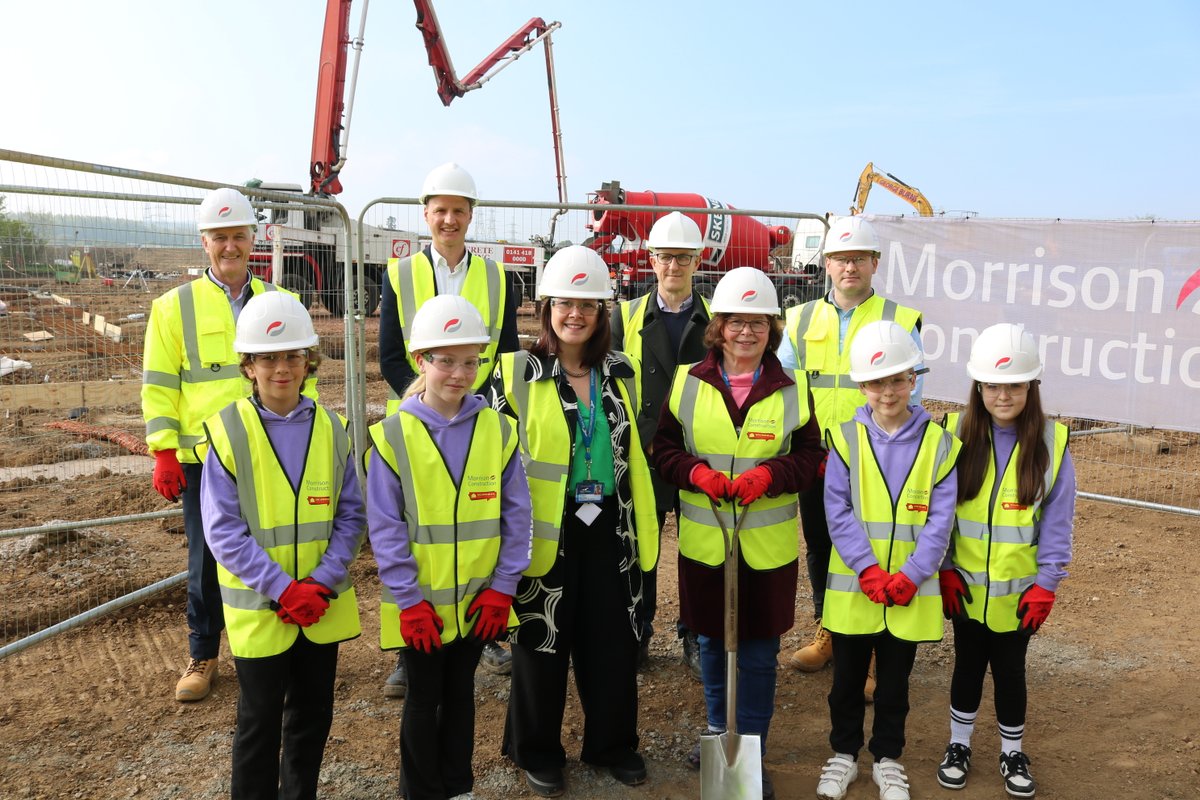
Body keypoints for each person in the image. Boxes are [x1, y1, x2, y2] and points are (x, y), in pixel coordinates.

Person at [489, 245, 658, 797]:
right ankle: (537, 748)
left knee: (611, 640)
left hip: (611, 527)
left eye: (589, 304)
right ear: (546, 307)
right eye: (566, 303)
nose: (576, 315)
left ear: (603, 311)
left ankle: (613, 744)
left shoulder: (620, 372)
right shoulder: (517, 373)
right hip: (543, 531)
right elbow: (478, 434)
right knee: (542, 640)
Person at [652, 266, 823, 800]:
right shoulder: (688, 382)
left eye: (757, 322)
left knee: (755, 651)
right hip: (707, 546)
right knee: (709, 641)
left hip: (765, 549)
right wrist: (696, 473)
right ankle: (716, 730)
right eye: (734, 322)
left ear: (772, 328)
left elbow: (810, 456)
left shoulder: (793, 389)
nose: (745, 332)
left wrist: (769, 475)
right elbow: (664, 451)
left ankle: (749, 748)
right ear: (718, 326)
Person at [142, 187, 316, 702]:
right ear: (205, 243)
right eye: (220, 237)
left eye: (239, 235)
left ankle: (269, 649)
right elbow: (158, 384)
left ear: (254, 238)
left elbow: (302, 374)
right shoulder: (173, 307)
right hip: (203, 458)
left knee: (272, 549)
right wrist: (164, 450)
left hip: (267, 454)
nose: (230, 246)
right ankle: (204, 652)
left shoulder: (279, 303)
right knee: (206, 560)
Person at [366, 294, 532, 800]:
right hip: (420, 606)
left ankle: (458, 787)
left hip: (478, 602)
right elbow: (386, 527)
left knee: (461, 694)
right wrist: (409, 599)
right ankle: (420, 790)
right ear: (421, 361)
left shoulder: (497, 429)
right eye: (446, 361)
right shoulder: (394, 435)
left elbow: (517, 515)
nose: (459, 374)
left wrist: (503, 588)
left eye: (470, 362)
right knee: (422, 698)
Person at [200, 291, 364, 799]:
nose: (281, 368)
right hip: (261, 612)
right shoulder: (229, 432)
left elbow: (350, 514)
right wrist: (282, 588)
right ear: (248, 365)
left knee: (312, 718)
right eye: (268, 357)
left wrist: (320, 582)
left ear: (309, 360)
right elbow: (223, 531)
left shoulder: (333, 429)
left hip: (320, 607)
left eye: (293, 355)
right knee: (259, 723)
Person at [378, 161, 520, 693]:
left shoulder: (497, 277)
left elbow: (504, 353)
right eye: (440, 210)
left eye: (459, 210)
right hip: (417, 421)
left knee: (478, 525)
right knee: (417, 532)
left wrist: (478, 406)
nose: (449, 219)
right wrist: (425, 398)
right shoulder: (401, 274)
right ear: (426, 214)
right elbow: (392, 355)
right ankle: (406, 650)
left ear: (471, 215)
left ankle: (484, 637)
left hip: (478, 421)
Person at [813, 320, 960, 800]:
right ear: (862, 385)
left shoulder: (938, 443)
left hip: (910, 590)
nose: (888, 390)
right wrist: (868, 568)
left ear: (913, 380)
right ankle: (843, 754)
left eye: (898, 379)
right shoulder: (845, 439)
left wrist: (914, 574)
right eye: (877, 381)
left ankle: (888, 759)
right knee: (848, 680)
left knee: (895, 683)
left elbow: (941, 519)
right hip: (858, 585)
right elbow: (836, 508)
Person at [779, 216, 924, 701]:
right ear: (827, 263)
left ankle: (880, 654)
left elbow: (910, 386)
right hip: (818, 457)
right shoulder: (799, 320)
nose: (850, 267)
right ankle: (831, 633)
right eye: (841, 258)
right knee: (822, 546)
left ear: (875, 264)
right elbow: (783, 385)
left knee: (880, 547)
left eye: (859, 258)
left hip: (878, 457)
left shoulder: (898, 319)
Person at [934, 323, 1075, 799]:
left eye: (1014, 384)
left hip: (1019, 595)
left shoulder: (1052, 445)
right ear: (978, 387)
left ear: (1031, 387)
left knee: (1011, 671)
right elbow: (940, 513)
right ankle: (959, 745)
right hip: (966, 589)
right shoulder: (954, 435)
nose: (1002, 394)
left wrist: (1047, 584)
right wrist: (945, 568)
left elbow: (1057, 524)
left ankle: (1012, 751)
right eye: (993, 385)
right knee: (967, 666)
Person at [610, 210, 712, 677]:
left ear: (698, 260)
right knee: (642, 549)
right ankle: (638, 630)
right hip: (642, 456)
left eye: (683, 257)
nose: (674, 265)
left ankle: (693, 635)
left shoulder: (715, 320)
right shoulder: (626, 315)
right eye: (666, 256)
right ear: (651, 259)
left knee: (697, 553)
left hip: (696, 455)